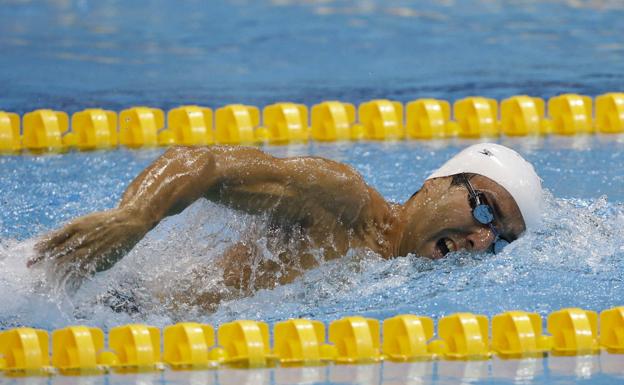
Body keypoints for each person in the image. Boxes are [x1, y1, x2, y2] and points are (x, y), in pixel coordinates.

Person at [28, 143, 542, 308]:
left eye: (499, 240)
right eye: (485, 209)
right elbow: (205, 163)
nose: (481, 238)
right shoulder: (344, 202)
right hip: (95, 298)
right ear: (435, 185)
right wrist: (133, 218)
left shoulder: (402, 283)